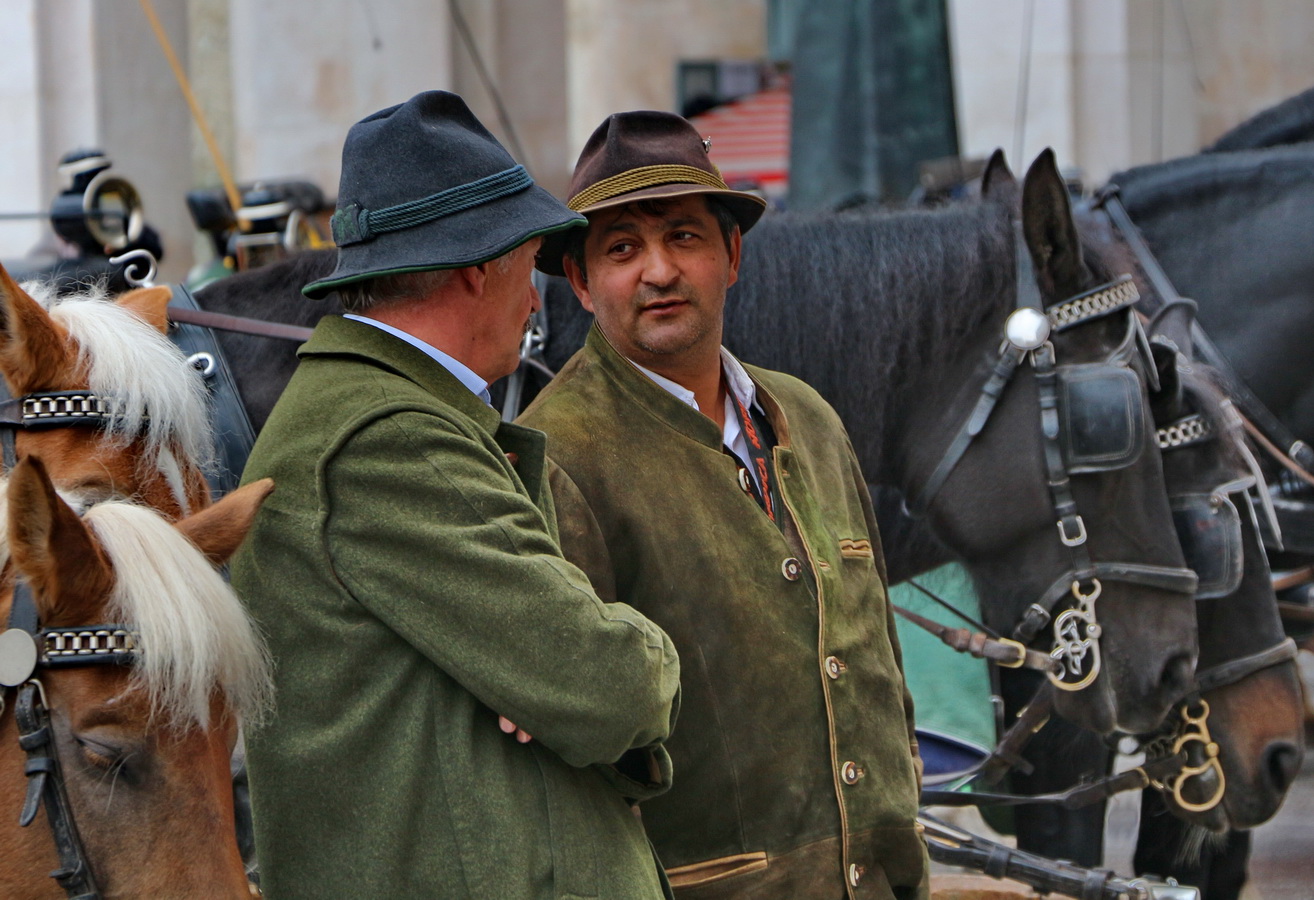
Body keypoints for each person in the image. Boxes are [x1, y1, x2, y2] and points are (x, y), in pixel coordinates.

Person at [231, 92, 681, 900]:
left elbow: (566, 685)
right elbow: (606, 685)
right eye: (529, 264)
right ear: (481, 267)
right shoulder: (388, 435)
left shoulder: (381, 416)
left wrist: (543, 687)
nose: (537, 300)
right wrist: (636, 658)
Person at [520, 110, 928, 900]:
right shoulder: (558, 457)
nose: (659, 272)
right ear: (579, 281)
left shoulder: (807, 416)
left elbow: (876, 651)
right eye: (622, 249)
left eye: (683, 237)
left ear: (731, 255)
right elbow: (573, 753)